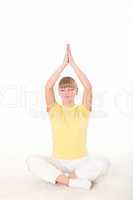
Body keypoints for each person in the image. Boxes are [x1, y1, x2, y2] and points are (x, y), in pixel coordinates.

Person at [25, 44, 111, 190]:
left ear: (76, 91)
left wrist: (73, 65)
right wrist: (63, 65)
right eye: (63, 89)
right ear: (59, 92)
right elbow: (47, 87)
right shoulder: (54, 109)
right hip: (57, 161)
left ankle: (62, 178)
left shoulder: (83, 110)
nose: (67, 92)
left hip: (81, 161)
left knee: (104, 162)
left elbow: (88, 87)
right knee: (31, 161)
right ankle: (72, 181)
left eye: (70, 89)